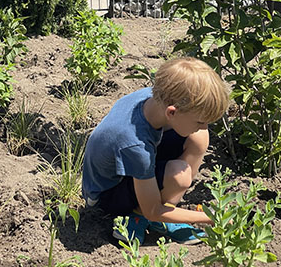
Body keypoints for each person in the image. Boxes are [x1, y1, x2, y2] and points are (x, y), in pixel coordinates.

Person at [82, 57, 230, 245]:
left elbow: (187, 130)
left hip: (128, 166)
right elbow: (153, 208)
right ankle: (138, 217)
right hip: (106, 196)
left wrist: (198, 126)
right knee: (179, 175)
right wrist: (210, 218)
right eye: (200, 121)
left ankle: (167, 207)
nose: (204, 125)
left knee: (199, 137)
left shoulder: (152, 99)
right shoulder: (135, 144)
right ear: (172, 112)